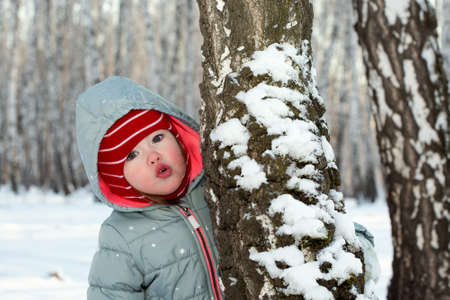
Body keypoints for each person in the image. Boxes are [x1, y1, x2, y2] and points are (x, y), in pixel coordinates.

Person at [76, 76, 379, 300]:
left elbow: (298, 219)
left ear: (179, 139)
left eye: (157, 138)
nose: (153, 155)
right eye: (132, 154)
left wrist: (354, 245)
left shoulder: (219, 186)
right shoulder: (122, 236)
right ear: (117, 178)